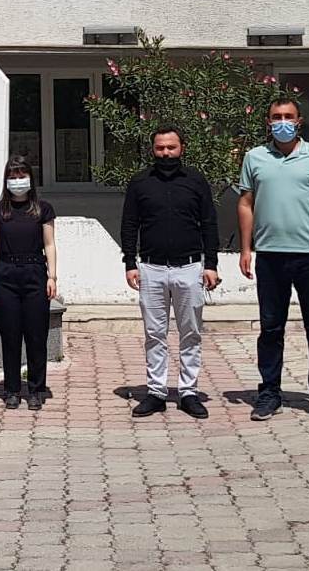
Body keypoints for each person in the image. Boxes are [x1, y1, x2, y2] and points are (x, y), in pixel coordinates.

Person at [238, 95, 309, 423]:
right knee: (271, 327)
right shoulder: (254, 157)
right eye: (276, 117)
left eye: (288, 116)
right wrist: (246, 248)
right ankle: (269, 392)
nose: (282, 122)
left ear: (299, 121)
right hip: (270, 255)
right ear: (268, 122)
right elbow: (245, 203)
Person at [120, 127, 219, 420]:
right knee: (154, 334)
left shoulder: (196, 180)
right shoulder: (140, 182)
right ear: (153, 149)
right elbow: (129, 224)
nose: (165, 153)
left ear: (182, 148)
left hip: (189, 268)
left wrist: (211, 264)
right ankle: (156, 392)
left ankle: (188, 392)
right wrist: (130, 263)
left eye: (171, 147)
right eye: (160, 148)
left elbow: (209, 223)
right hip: (151, 269)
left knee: (191, 333)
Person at [0, 155, 58, 410]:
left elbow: (49, 244)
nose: (17, 181)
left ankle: (36, 389)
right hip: (6, 274)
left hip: (35, 272)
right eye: (12, 177)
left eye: (21, 176)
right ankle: (12, 389)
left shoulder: (42, 209)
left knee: (36, 335)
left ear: (30, 178)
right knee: (10, 335)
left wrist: (52, 276)